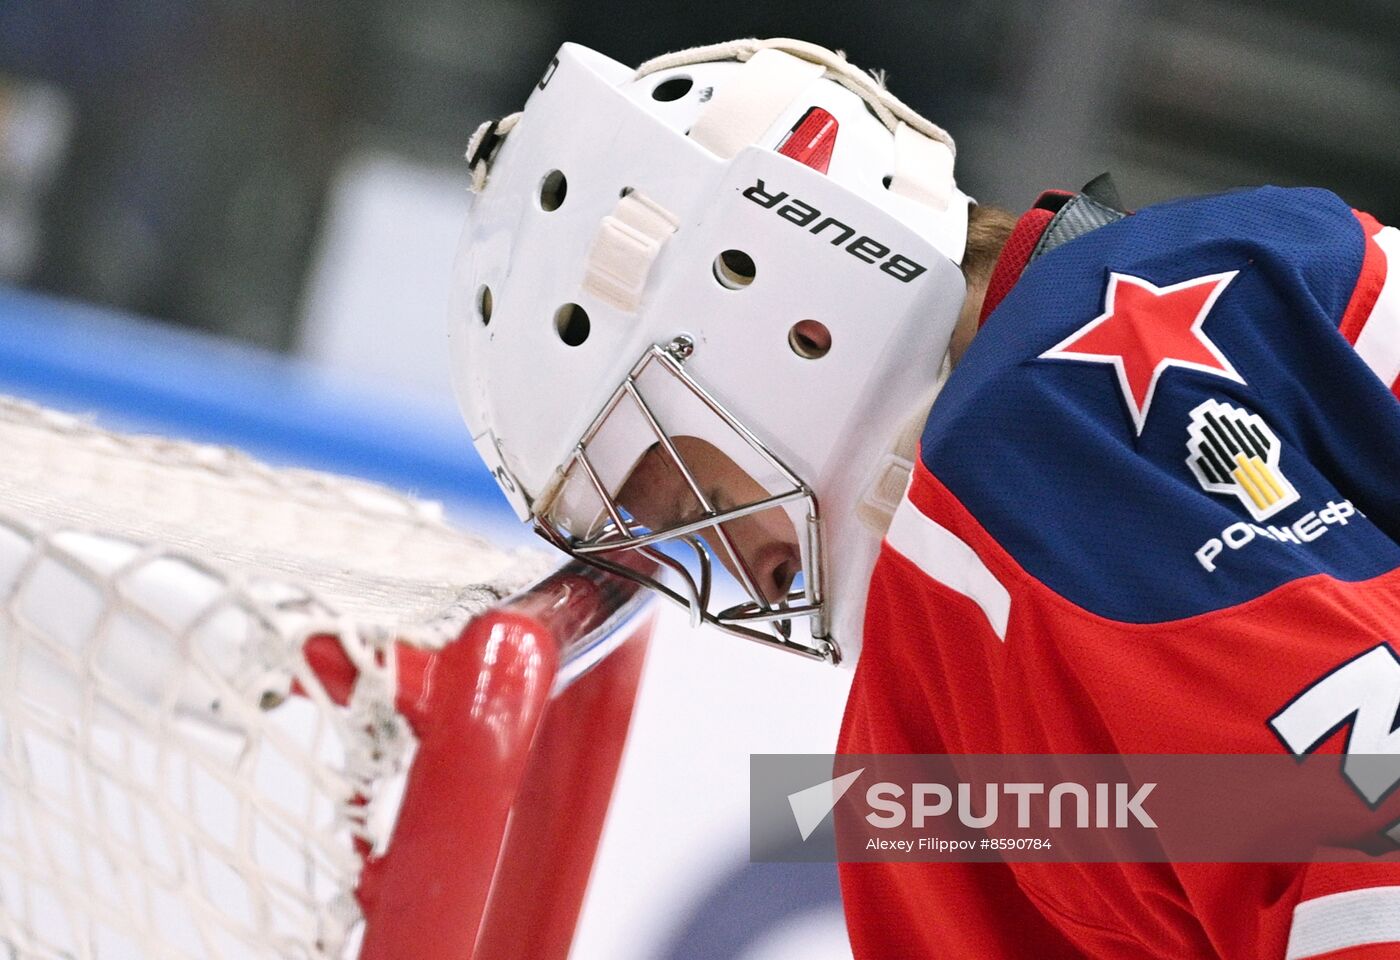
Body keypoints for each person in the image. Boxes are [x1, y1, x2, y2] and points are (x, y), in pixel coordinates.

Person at [450, 37, 1400, 959]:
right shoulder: (1268, 252)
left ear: (772, 295)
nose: (746, 566)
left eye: (690, 490)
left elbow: (1368, 843)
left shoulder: (1019, 467)